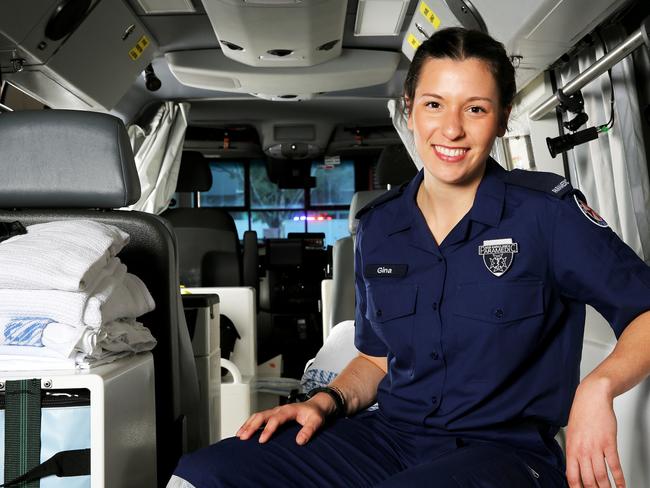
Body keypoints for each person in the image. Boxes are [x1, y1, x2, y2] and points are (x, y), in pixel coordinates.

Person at [170, 27, 650, 488]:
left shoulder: (546, 214)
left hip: (506, 454)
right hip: (389, 439)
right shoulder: (378, 227)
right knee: (204, 474)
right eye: (434, 104)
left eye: (476, 109)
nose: (452, 129)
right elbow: (377, 358)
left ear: (502, 118)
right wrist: (326, 400)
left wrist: (598, 387)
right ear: (411, 111)